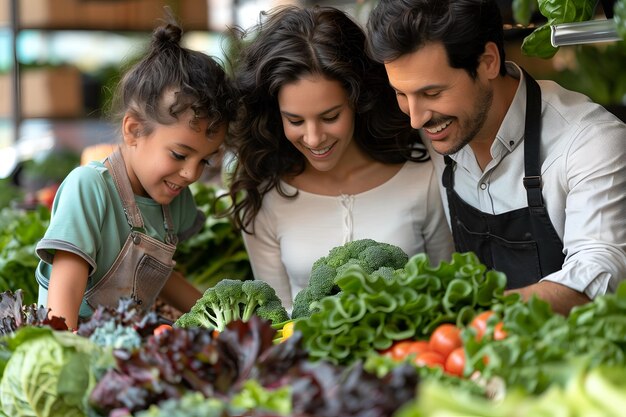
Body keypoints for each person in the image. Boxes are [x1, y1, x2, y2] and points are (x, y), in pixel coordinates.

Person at [366, 0, 626, 315]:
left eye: (432, 93)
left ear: (488, 61)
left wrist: (475, 316)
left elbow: (599, 271)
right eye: (401, 94)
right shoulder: (435, 128)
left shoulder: (587, 141)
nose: (416, 119)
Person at [225, 5, 454, 310]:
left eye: (330, 116)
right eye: (295, 121)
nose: (314, 138)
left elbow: (448, 293)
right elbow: (276, 317)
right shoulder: (265, 196)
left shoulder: (423, 174)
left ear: (359, 100)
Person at [35, 15, 237, 329]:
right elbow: (66, 291)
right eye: (180, 154)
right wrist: (67, 353)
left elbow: (161, 275)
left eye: (206, 161)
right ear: (133, 130)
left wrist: (217, 317)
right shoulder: (89, 188)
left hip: (125, 343)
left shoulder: (174, 197)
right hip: (70, 336)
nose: (191, 173)